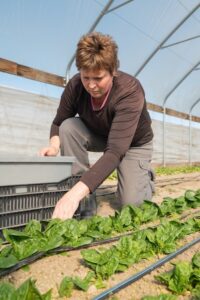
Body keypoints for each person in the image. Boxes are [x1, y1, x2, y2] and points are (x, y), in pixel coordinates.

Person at [40, 32, 154, 220]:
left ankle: (145, 176)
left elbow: (116, 151)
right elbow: (59, 122)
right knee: (68, 127)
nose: (91, 85)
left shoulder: (129, 91)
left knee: (131, 205)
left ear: (113, 71)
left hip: (133, 143)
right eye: (86, 77)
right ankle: (85, 202)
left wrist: (72, 195)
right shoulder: (76, 86)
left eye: (98, 78)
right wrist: (53, 146)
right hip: (101, 133)